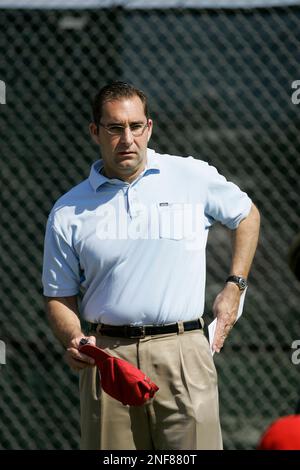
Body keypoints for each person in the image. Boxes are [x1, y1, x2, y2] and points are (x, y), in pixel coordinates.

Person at [42, 81, 260, 450]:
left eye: (136, 126)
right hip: (109, 360)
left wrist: (235, 286)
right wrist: (75, 339)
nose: (127, 138)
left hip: (185, 351)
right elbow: (59, 297)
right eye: (114, 128)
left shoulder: (191, 176)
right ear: (95, 132)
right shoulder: (67, 211)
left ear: (149, 128)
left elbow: (247, 216)